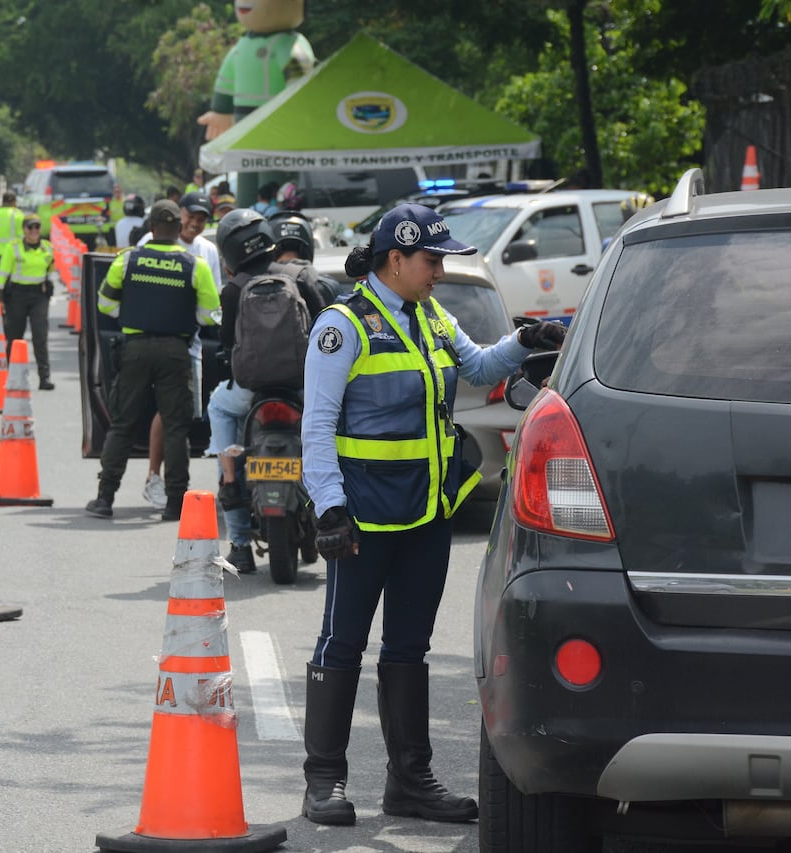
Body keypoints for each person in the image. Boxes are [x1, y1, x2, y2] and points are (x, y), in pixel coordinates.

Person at [299, 203, 566, 826]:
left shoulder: (429, 315)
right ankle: (324, 782)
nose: (440, 270)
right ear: (397, 259)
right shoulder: (343, 327)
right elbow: (316, 425)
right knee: (342, 643)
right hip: (363, 517)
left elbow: (475, 367)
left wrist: (523, 342)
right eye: (432, 259)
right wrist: (330, 508)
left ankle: (411, 781)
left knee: (409, 647)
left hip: (425, 514)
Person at [209, 209, 329, 573]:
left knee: (219, 408)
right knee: (333, 430)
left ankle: (235, 506)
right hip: (303, 387)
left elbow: (226, 341)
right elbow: (326, 324)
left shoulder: (234, 289)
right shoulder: (299, 276)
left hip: (252, 392)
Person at [85, 200, 220, 521]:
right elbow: (210, 314)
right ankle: (175, 503)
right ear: (177, 228)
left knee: (122, 424)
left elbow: (104, 303)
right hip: (177, 351)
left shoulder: (128, 259)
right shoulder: (194, 265)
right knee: (176, 427)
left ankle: (105, 498)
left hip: (136, 348)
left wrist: (131, 315)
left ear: (151, 228)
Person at [133, 191, 222, 511]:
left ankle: (175, 489)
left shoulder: (207, 251)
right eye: (190, 216)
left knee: (180, 417)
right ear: (176, 213)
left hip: (192, 345)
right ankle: (156, 479)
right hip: (155, 342)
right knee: (169, 414)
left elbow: (213, 303)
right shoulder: (148, 243)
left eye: (201, 219)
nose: (194, 224)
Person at [0, 212, 58, 390]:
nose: (33, 231)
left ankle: (44, 378)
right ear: (24, 229)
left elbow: (51, 267)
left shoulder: (47, 247)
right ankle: (13, 378)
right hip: (17, 296)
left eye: (37, 227)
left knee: (40, 337)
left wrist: (50, 283)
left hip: (39, 296)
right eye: (30, 227)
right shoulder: (13, 247)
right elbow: (2, 273)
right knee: (15, 338)